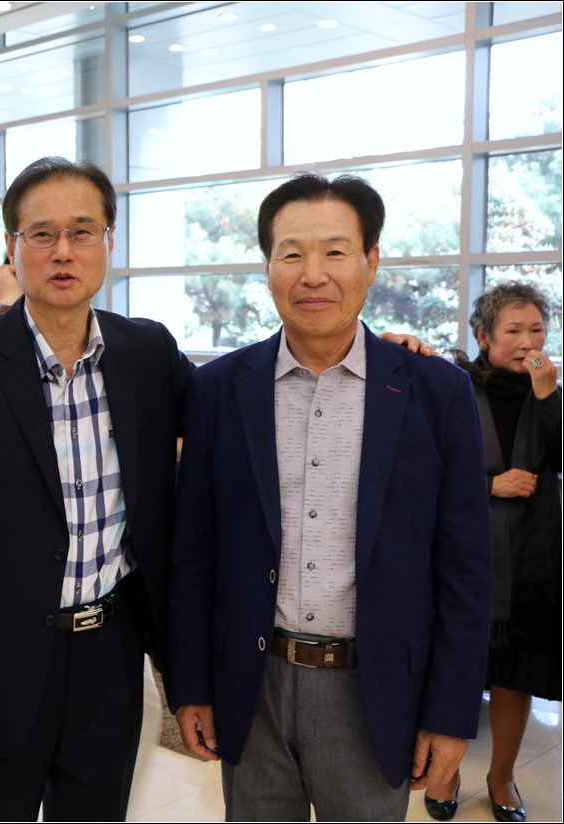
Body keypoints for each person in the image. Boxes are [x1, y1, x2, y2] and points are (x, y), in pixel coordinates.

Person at [167, 172, 494, 821]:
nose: (312, 274)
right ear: (267, 267)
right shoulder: (218, 389)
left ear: (371, 262)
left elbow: (465, 568)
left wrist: (450, 714)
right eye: (291, 253)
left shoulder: (437, 392)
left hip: (375, 688)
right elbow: (193, 553)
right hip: (251, 685)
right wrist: (192, 685)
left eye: (335, 252)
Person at [0, 157, 192, 821]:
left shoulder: (147, 352)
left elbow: (235, 406)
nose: (63, 251)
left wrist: (383, 352)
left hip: (111, 651)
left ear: (109, 241)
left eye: (82, 231)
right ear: (11, 247)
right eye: (41, 234)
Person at [424, 282, 560, 823]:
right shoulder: (452, 387)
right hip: (461, 558)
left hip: (530, 562)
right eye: (514, 330)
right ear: (483, 336)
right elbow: (423, 469)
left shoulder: (547, 391)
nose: (528, 342)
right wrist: (489, 485)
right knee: (451, 667)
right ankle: (445, 773)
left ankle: (502, 777)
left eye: (538, 329)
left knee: (514, 676)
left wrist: (548, 396)